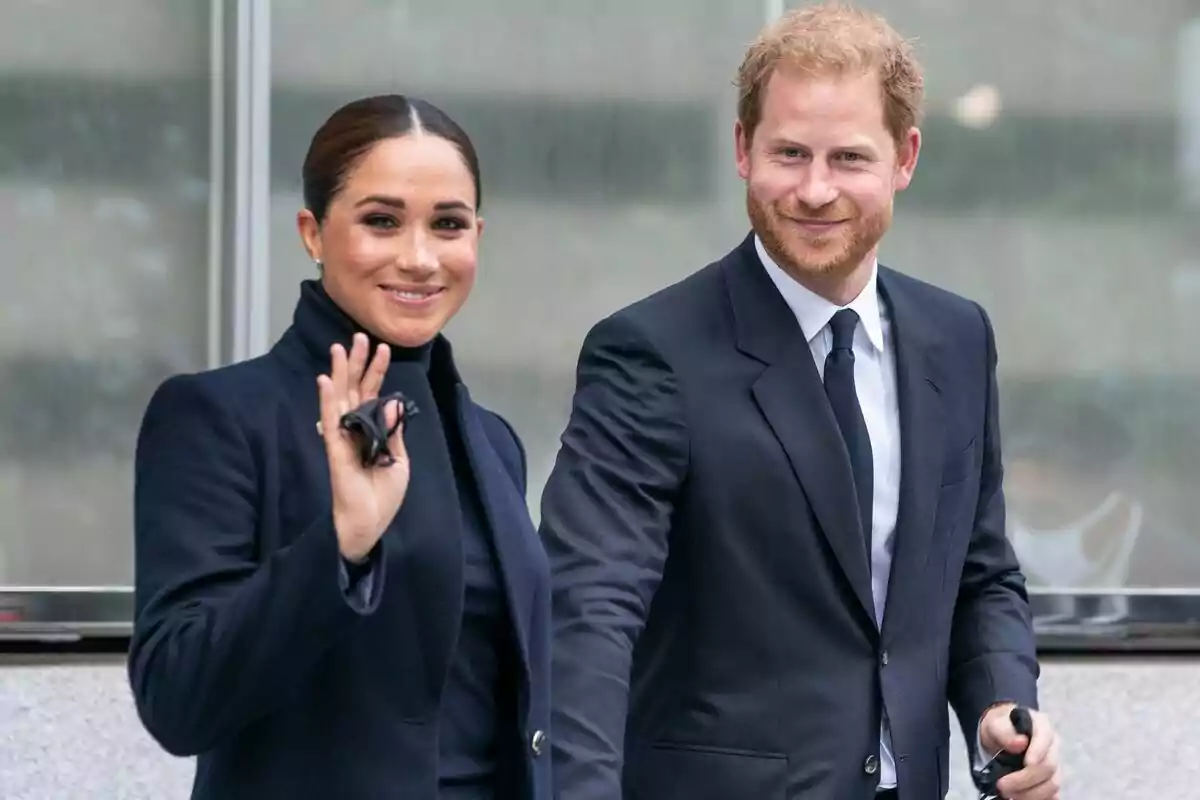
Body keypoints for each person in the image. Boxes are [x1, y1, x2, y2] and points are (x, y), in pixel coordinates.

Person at [540, 5, 1062, 799]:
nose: (815, 190)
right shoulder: (649, 353)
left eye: (849, 157)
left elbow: (980, 572)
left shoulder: (957, 339)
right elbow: (589, 612)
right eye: (790, 153)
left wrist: (1001, 703)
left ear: (904, 158)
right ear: (744, 149)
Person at [128, 94, 551, 800]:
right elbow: (178, 699)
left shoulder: (493, 442)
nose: (419, 258)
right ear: (313, 232)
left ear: (477, 235)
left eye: (447, 225)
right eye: (381, 221)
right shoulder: (218, 417)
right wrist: (343, 544)